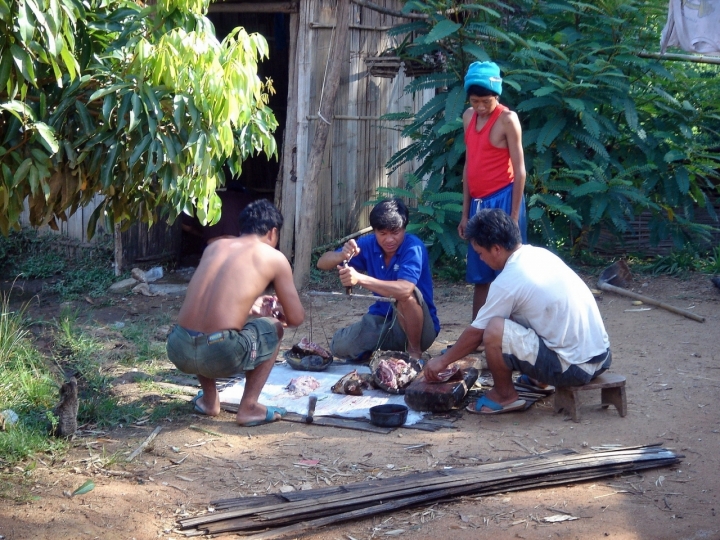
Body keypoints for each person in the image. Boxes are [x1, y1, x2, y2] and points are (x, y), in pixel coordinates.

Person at [424, 208, 611, 415]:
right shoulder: (539, 254)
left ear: (496, 249)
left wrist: (441, 361)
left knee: (494, 329)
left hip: (574, 368)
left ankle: (505, 396)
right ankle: (540, 380)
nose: (481, 259)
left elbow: (477, 332)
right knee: (513, 314)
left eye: (480, 253)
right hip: (601, 358)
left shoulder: (508, 281)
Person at [167, 199, 305, 426]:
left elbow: (212, 302)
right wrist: (277, 314)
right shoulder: (274, 257)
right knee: (274, 328)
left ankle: (209, 400)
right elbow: (296, 318)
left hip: (178, 347)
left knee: (204, 327)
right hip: (219, 353)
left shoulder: (214, 247)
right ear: (273, 232)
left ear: (241, 229)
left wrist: (251, 305)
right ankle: (249, 406)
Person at [316, 198, 440, 361]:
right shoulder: (367, 244)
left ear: (404, 228)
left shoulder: (413, 247)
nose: (389, 239)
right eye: (382, 233)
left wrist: (360, 279)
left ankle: (414, 352)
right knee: (339, 346)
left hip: (419, 329)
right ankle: (381, 351)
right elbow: (322, 263)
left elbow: (405, 289)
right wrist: (341, 255)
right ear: (374, 231)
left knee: (407, 296)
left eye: (395, 232)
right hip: (381, 320)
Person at [459, 61, 527, 319]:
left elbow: (520, 171)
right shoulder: (468, 117)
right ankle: (477, 333)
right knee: (480, 273)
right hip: (478, 204)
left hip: (504, 201)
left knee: (509, 272)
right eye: (475, 101)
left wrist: (514, 216)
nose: (479, 107)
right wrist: (465, 214)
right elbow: (469, 166)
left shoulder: (508, 120)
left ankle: (512, 334)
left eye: (485, 101)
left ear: (496, 95)